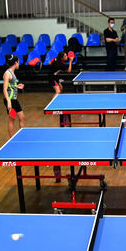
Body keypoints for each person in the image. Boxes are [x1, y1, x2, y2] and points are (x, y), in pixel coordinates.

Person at [48, 51, 73, 180]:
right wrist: (71, 61)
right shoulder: (62, 64)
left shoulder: (56, 60)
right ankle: (52, 105)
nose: (67, 57)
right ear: (62, 57)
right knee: (58, 91)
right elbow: (69, 71)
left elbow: (50, 63)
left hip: (54, 77)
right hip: (51, 78)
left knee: (61, 89)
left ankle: (56, 102)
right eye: (66, 56)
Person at [3, 54, 25, 137]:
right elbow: (5, 89)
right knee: (12, 119)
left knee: (22, 117)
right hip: (10, 100)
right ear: (16, 63)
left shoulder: (12, 73)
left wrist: (17, 86)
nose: (19, 64)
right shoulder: (7, 73)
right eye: (18, 62)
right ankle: (11, 139)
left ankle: (22, 136)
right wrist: (8, 102)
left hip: (14, 99)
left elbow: (10, 85)